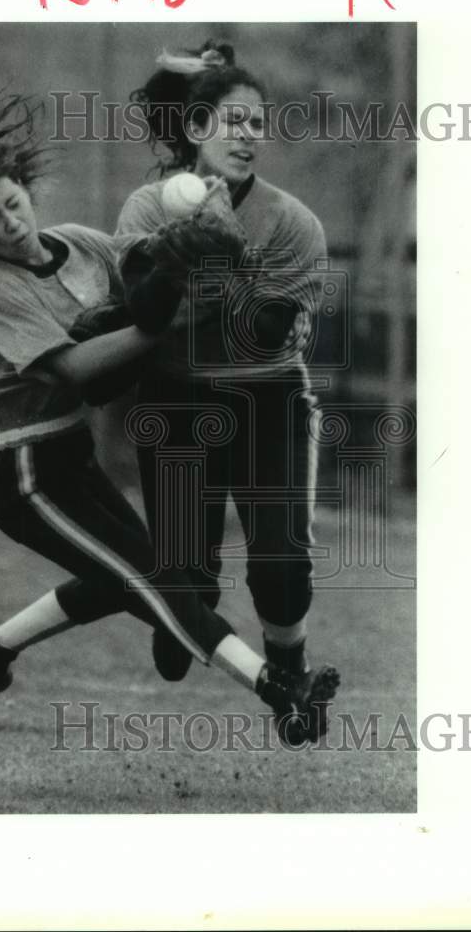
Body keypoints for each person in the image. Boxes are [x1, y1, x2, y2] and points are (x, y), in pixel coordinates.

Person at [0, 92, 326, 746]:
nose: (8, 220)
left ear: (28, 194)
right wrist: (173, 316)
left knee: (133, 577)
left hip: (76, 463)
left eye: (12, 202)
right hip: (29, 477)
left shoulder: (82, 245)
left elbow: (144, 290)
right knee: (157, 582)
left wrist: (189, 259)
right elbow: (80, 374)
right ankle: (279, 689)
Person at [115, 43, 340, 737]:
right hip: (177, 402)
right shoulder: (149, 207)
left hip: (267, 398)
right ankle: (190, 611)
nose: (248, 134)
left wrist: (229, 247)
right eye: (232, 120)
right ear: (194, 129)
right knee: (187, 588)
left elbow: (267, 332)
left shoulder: (294, 223)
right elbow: (145, 316)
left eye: (257, 122)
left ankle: (290, 666)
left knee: (279, 566)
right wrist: (177, 252)